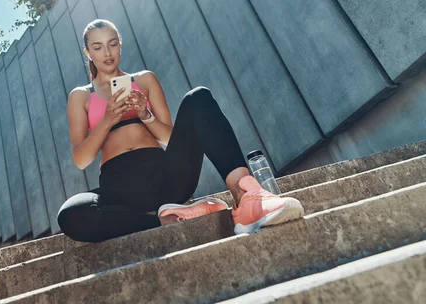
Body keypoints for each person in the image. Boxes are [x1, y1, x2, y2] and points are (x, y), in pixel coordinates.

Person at [57, 19, 304, 243]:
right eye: (98, 47)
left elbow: (168, 137)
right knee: (71, 214)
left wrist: (146, 115)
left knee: (198, 98)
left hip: (167, 178)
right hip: (119, 190)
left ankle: (246, 198)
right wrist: (108, 119)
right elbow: (81, 158)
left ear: (120, 45)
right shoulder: (80, 96)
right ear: (87, 52)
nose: (107, 53)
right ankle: (164, 219)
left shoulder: (144, 80)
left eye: (112, 44)